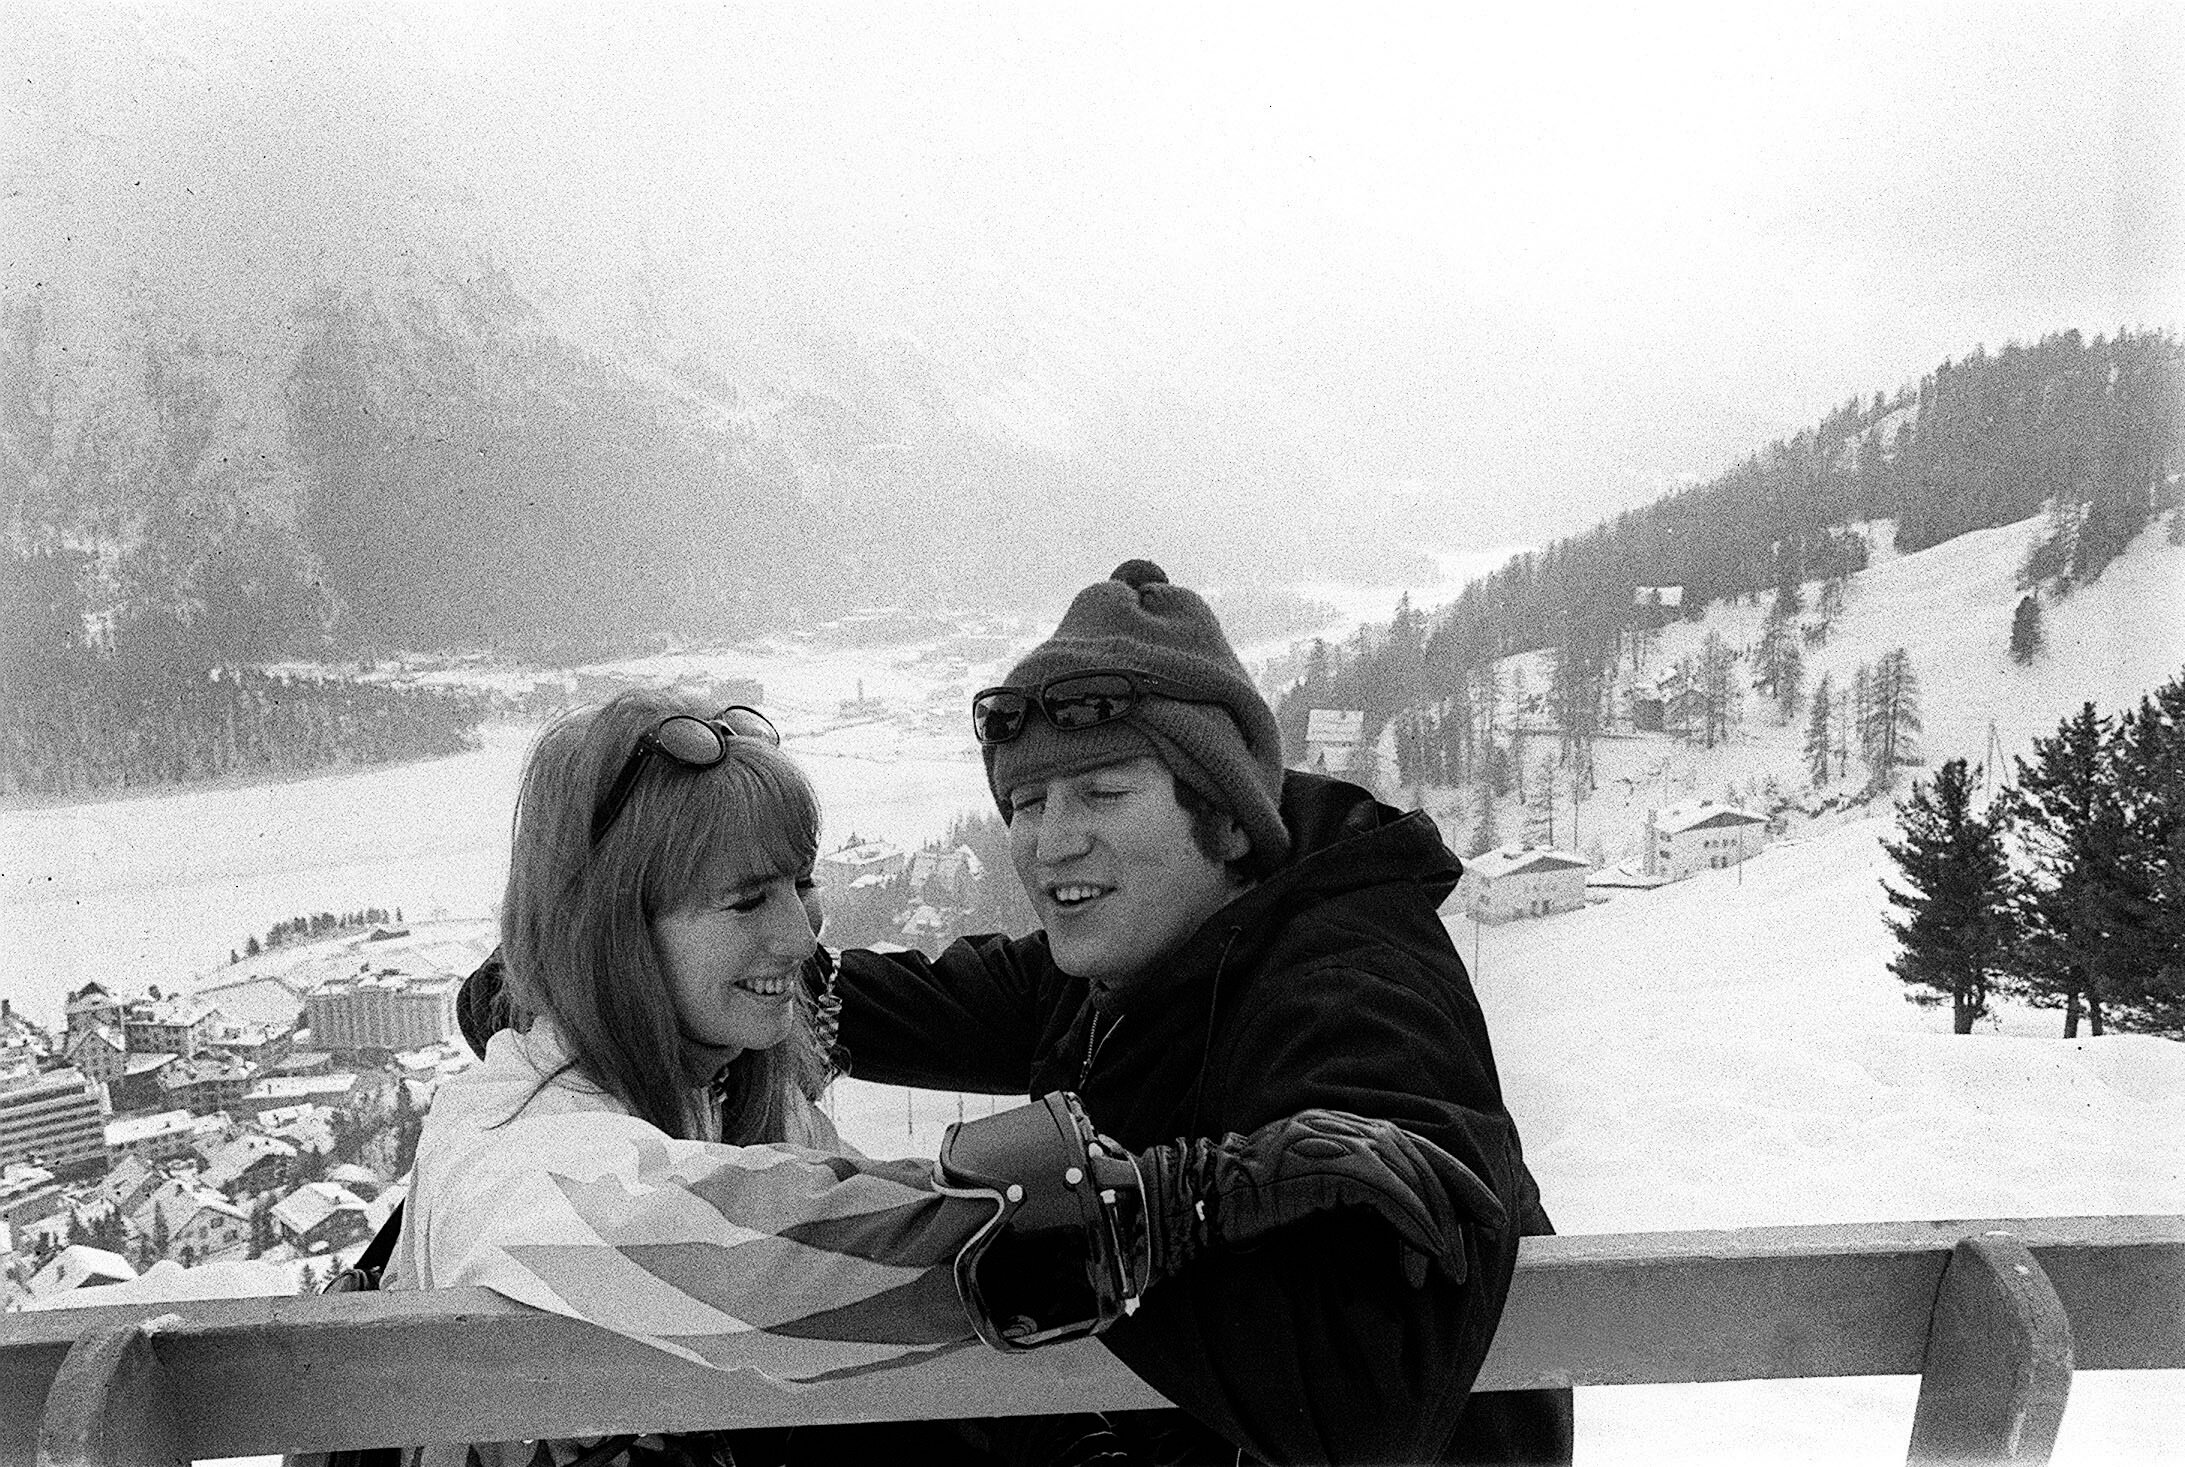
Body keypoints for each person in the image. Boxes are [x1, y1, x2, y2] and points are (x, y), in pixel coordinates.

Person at [407, 689, 1490, 1467]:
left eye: (801, 883)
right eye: (748, 903)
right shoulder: (515, 1155)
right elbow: (766, 1253)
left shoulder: (727, 1086)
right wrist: (1152, 1207)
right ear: (608, 938)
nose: (803, 929)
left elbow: (871, 1238)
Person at [825, 561, 1575, 1465]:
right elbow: (916, 1001)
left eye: (1103, 792)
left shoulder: (1352, 985)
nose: (1051, 838)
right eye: (1026, 802)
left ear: (1225, 820)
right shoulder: (1131, 953)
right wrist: (750, 974)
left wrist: (1151, 1217)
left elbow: (1372, 1388)